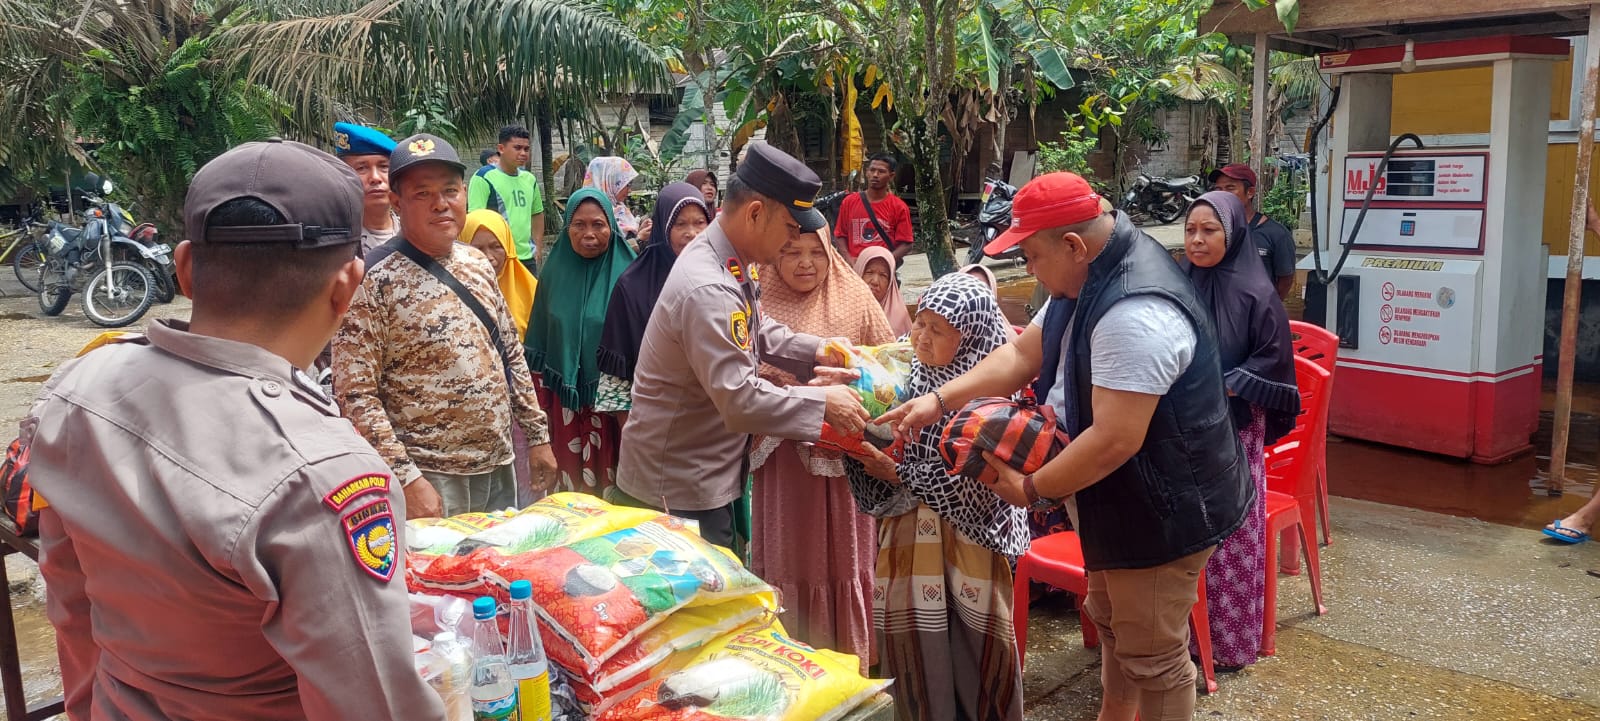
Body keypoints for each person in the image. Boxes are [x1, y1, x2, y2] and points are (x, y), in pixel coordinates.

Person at [24, 138, 446, 720]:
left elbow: (70, 600)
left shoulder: (80, 387)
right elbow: (374, 703)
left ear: (185, 268)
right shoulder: (322, 473)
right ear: (348, 285)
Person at [881, 172, 1252, 721]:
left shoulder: (1132, 311)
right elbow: (1021, 355)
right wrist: (938, 400)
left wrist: (1030, 489)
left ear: (1074, 245)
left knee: (1155, 657)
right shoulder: (1084, 279)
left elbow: (1113, 439)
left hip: (1160, 509)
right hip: (1116, 499)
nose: (1029, 269)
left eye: (1032, 256)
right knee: (1113, 623)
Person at [613, 142, 871, 548]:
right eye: (790, 229)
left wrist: (816, 348)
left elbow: (754, 327)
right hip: (676, 491)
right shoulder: (708, 287)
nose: (791, 242)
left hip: (703, 473)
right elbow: (740, 399)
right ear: (755, 213)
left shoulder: (728, 259)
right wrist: (823, 402)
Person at [334, 133, 557, 518]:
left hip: (498, 464)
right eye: (422, 194)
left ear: (465, 193)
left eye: (450, 191)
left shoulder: (477, 263)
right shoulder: (372, 280)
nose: (441, 204)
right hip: (431, 476)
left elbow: (511, 354)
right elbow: (355, 395)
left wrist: (538, 436)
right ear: (397, 203)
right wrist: (406, 477)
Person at [844, 273, 1028, 721]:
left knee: (972, 646)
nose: (920, 337)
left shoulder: (995, 395)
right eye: (919, 322)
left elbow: (976, 487)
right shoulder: (907, 373)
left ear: (971, 336)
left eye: (937, 330)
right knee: (916, 647)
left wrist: (899, 472)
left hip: (971, 545)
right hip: (910, 538)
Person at [748, 223, 893, 667]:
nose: (805, 263)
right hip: (785, 457)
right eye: (791, 252)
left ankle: (852, 654)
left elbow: (889, 365)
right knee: (792, 554)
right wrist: (802, 396)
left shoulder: (855, 297)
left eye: (816, 252)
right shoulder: (756, 305)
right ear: (774, 256)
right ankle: (794, 654)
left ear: (831, 254)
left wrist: (856, 386)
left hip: (846, 458)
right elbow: (741, 379)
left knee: (847, 553)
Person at [1181, 190, 1301, 670]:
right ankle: (1182, 639)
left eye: (1209, 230)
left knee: (1229, 535)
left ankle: (1228, 645)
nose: (1197, 240)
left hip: (1232, 432)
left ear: (1232, 234)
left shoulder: (1257, 293)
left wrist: (1223, 384)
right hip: (1184, 427)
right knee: (1187, 533)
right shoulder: (1179, 281)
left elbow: (1272, 359)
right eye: (1190, 230)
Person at [523, 187, 638, 496]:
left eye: (598, 224)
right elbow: (539, 342)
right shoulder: (553, 275)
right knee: (572, 495)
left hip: (616, 409)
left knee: (617, 491)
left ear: (611, 227)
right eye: (579, 225)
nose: (589, 234)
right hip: (566, 408)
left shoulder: (630, 275)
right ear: (567, 228)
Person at [596, 183, 711, 420]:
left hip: (713, 421)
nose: (692, 233)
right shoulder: (633, 286)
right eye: (680, 224)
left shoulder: (720, 277)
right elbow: (616, 384)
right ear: (662, 228)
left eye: (700, 222)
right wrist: (631, 436)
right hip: (655, 422)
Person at [1210, 164, 1296, 300]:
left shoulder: (1276, 234)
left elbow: (1285, 279)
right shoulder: (1211, 231)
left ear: (1250, 192)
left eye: (1230, 188)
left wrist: (1267, 307)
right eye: (1218, 189)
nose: (1222, 194)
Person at [469, 125, 546, 276]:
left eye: (526, 149)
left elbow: (537, 213)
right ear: (501, 148)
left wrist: (538, 246)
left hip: (527, 257)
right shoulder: (483, 177)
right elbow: (475, 221)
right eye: (517, 148)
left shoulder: (529, 179)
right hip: (499, 259)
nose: (523, 153)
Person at [331, 121, 400, 257]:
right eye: (362, 168)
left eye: (383, 167)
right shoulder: (335, 241)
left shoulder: (415, 233)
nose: (375, 178)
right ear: (345, 176)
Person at [833, 153, 914, 263]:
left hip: (883, 268)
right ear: (867, 172)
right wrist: (848, 259)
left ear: (891, 176)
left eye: (881, 171)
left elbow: (907, 243)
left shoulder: (899, 207)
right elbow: (840, 235)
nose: (875, 175)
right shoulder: (849, 202)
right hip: (854, 267)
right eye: (872, 170)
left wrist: (886, 261)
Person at [853, 246, 912, 337]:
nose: (875, 281)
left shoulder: (898, 319)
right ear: (858, 273)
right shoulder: (842, 312)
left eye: (883, 275)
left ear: (890, 282)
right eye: (869, 272)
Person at [585, 155, 645, 239]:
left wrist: (641, 228)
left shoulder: (618, 207)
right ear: (610, 181)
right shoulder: (594, 212)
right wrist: (639, 239)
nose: (629, 190)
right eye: (627, 184)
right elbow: (610, 245)